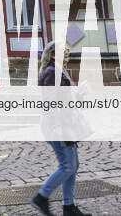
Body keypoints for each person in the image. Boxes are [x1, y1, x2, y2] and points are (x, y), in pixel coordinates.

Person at [31, 41, 90, 216]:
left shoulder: (59, 71)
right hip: (58, 125)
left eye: (68, 52)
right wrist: (56, 126)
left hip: (66, 123)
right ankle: (41, 197)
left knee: (73, 165)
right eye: (64, 52)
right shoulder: (51, 72)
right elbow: (50, 102)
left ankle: (69, 207)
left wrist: (79, 94)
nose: (67, 55)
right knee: (68, 166)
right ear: (54, 54)